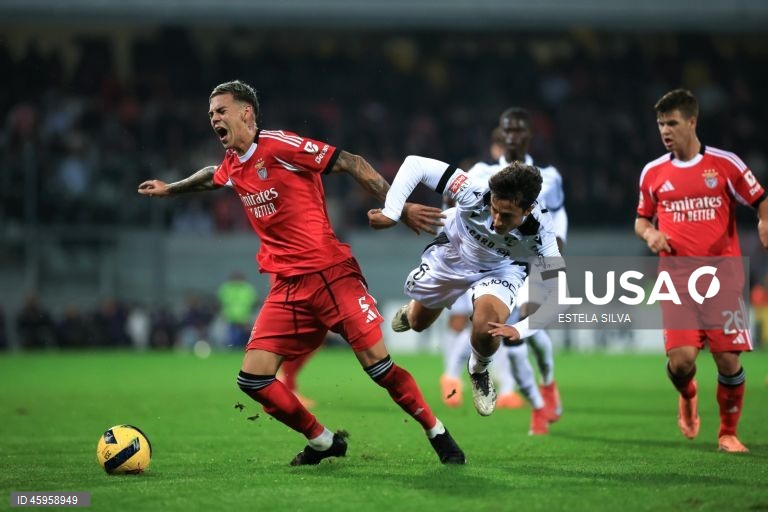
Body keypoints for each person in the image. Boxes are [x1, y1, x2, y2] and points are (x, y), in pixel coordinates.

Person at [138, 80, 464, 465]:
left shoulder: (280, 146)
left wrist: (398, 207)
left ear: (246, 112)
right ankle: (324, 442)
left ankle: (437, 432)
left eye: (221, 111)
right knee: (253, 379)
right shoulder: (232, 162)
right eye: (210, 114)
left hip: (330, 275)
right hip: (288, 288)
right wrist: (171, 189)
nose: (214, 119)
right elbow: (214, 175)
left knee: (378, 368)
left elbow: (351, 161)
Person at [368, 156, 568, 436]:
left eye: (507, 215)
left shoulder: (542, 233)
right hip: (454, 254)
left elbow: (558, 295)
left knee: (487, 328)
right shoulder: (473, 190)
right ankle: (414, 309)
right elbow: (416, 164)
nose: (496, 221)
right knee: (417, 322)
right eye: (494, 210)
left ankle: (479, 371)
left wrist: (520, 329)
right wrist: (392, 211)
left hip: (501, 268)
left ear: (529, 209)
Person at [635, 88, 768, 453]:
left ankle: (728, 432)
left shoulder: (725, 164)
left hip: (722, 279)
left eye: (672, 123)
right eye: (661, 123)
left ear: (692, 122)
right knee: (681, 363)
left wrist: (764, 222)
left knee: (727, 359)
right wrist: (651, 234)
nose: (665, 130)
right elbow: (641, 220)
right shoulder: (653, 173)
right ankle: (688, 395)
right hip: (676, 280)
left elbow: (760, 200)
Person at [467, 108, 568, 432]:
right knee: (508, 338)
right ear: (500, 133)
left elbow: (558, 215)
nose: (511, 135)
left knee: (532, 325)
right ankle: (538, 407)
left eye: (518, 130)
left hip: (534, 258)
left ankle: (549, 382)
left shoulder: (548, 176)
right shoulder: (481, 173)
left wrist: (557, 246)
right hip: (497, 264)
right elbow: (456, 207)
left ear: (528, 135)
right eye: (506, 129)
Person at [440, 127, 522, 411]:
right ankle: (451, 377)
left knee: (490, 327)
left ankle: (503, 384)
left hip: (499, 266)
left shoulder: (515, 185)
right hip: (467, 262)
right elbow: (449, 215)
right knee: (468, 324)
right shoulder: (479, 178)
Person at [217, 271, 258, 348]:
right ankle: (232, 348)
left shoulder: (247, 288)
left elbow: (253, 303)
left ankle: (240, 347)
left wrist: (250, 315)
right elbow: (221, 302)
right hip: (230, 317)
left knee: (243, 335)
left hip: (244, 318)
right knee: (231, 335)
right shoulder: (226, 288)